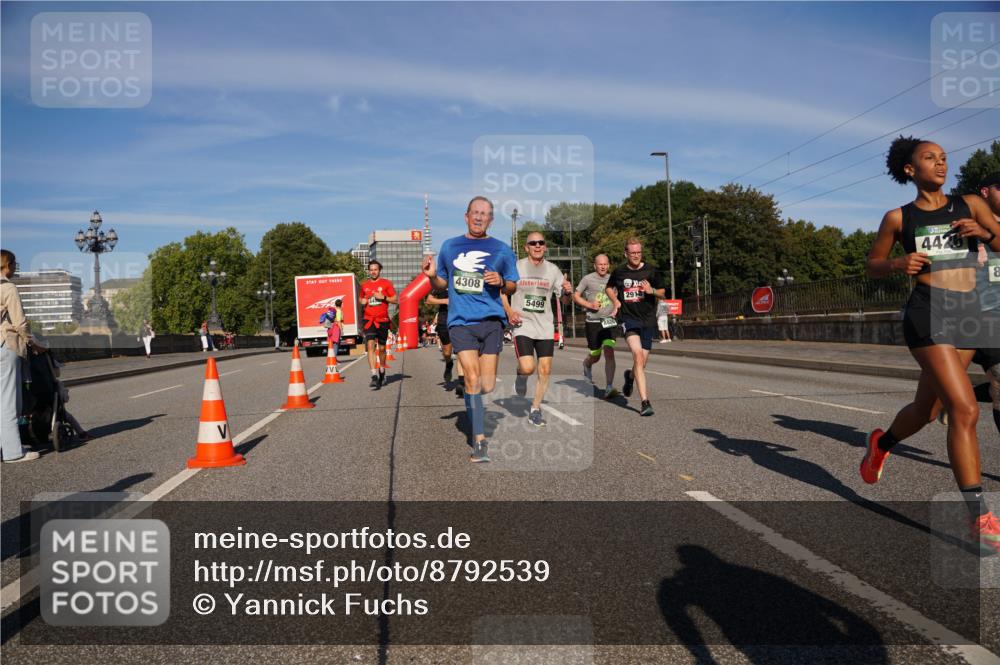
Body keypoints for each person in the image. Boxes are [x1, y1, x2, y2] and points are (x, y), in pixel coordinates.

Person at [861, 137, 1000, 553]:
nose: (940, 164)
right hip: (928, 313)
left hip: (970, 313)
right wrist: (896, 264)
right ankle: (980, 517)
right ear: (909, 169)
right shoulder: (897, 218)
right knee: (965, 409)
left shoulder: (970, 204)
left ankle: (881, 444)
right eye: (929, 158)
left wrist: (986, 232)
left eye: (943, 158)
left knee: (928, 409)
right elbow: (872, 266)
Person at [422, 196, 518, 462]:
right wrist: (432, 277)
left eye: (484, 214)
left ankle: (471, 392)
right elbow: (442, 284)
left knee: (485, 384)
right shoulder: (450, 246)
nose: (479, 217)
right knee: (474, 379)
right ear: (466, 216)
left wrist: (501, 281)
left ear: (491, 219)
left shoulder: (501, 249)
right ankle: (479, 441)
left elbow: (512, 285)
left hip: (491, 321)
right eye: (475, 213)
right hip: (461, 321)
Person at [502, 231, 573, 427]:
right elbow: (502, 292)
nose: (537, 246)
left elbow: (564, 299)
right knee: (527, 367)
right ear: (526, 247)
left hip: (545, 327)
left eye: (541, 242)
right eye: (533, 243)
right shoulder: (516, 267)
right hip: (522, 324)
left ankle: (535, 408)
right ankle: (521, 375)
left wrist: (568, 291)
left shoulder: (553, 270)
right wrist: (509, 311)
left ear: (545, 246)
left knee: (545, 369)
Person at [606, 237, 666, 416]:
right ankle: (645, 403)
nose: (636, 256)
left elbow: (662, 292)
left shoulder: (651, 271)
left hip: (647, 320)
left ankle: (630, 377)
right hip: (628, 318)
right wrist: (616, 301)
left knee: (642, 362)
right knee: (638, 355)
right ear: (626, 254)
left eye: (638, 252)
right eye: (632, 253)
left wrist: (652, 291)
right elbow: (609, 288)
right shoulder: (619, 272)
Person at [1, 249, 40, 463]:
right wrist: (33, 342)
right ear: (8, 265)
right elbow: (20, 323)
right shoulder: (8, 287)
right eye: (15, 264)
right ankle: (13, 452)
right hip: (5, 346)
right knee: (9, 402)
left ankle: (5, 446)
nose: (16, 268)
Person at [575, 254, 620, 398]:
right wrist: (589, 305)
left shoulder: (613, 279)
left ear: (608, 265)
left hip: (609, 322)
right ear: (595, 265)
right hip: (593, 322)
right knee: (596, 355)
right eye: (600, 264)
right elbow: (575, 296)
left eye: (605, 264)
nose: (603, 267)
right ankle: (587, 363)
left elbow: (618, 298)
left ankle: (609, 386)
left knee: (609, 350)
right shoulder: (587, 279)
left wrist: (616, 309)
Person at [359, 260, 397, 389]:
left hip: (382, 320)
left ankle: (382, 370)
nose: (373, 271)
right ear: (369, 271)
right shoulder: (364, 285)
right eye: (371, 269)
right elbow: (361, 298)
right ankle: (374, 375)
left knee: (381, 349)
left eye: (375, 269)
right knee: (370, 345)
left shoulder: (386, 283)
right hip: (369, 319)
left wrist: (384, 298)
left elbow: (395, 299)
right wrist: (362, 301)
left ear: (379, 270)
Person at [427, 288, 465, 395]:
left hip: (460, 319)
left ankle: (461, 382)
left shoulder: (462, 279)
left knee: (460, 350)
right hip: (444, 320)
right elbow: (429, 299)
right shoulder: (441, 284)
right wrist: (445, 301)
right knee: (447, 353)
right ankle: (449, 363)